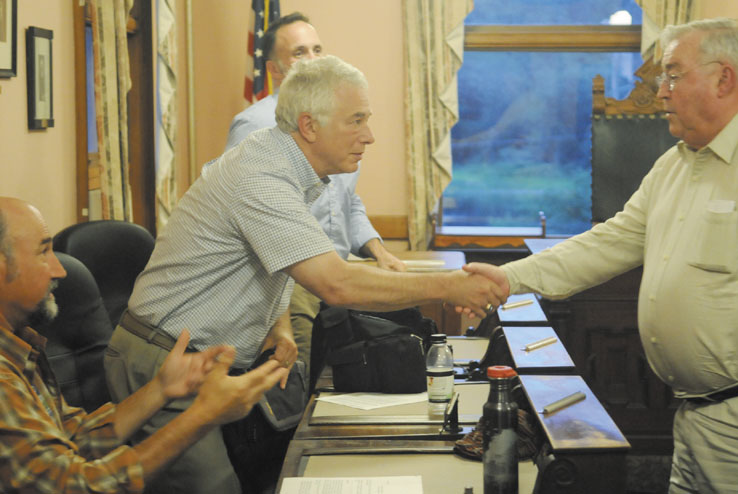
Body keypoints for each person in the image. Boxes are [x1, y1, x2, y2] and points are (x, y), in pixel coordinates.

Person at [106, 55, 505, 494]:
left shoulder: (285, 168)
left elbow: (273, 259)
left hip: (198, 359)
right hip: (164, 361)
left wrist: (279, 326)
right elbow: (337, 282)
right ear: (310, 126)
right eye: (356, 121)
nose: (369, 136)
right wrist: (450, 285)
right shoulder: (260, 176)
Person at [463, 18, 738, 494]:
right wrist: (507, 279)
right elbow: (609, 242)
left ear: (723, 78)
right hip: (694, 417)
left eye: (673, 74)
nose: (661, 91)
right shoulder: (677, 162)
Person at [0, 197, 289, 494]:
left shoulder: (20, 344)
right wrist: (203, 415)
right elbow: (76, 487)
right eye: (43, 252)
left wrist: (162, 387)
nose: (58, 270)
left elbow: (75, 437)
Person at [224, 12, 405, 377]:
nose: (312, 60)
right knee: (298, 385)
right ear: (274, 69)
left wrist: (378, 252)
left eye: (317, 50)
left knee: (333, 380)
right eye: (299, 53)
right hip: (290, 287)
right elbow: (243, 209)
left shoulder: (337, 122)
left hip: (338, 278)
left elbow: (347, 202)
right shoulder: (256, 124)